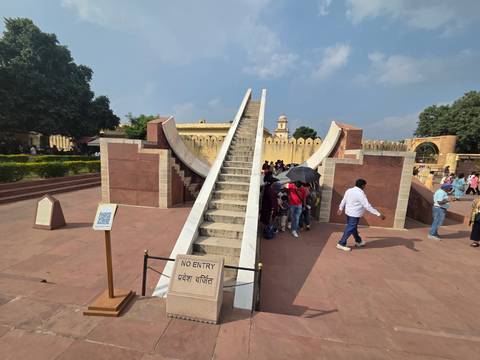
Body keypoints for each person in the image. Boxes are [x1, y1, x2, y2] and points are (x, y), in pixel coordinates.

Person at [336, 179, 386, 252]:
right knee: (350, 228)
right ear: (363, 185)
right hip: (354, 214)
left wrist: (340, 208)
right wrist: (378, 214)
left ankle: (358, 241)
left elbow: (344, 200)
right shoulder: (360, 194)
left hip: (348, 213)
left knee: (353, 228)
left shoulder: (349, 190)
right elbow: (367, 206)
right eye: (365, 185)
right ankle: (341, 243)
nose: (365, 187)